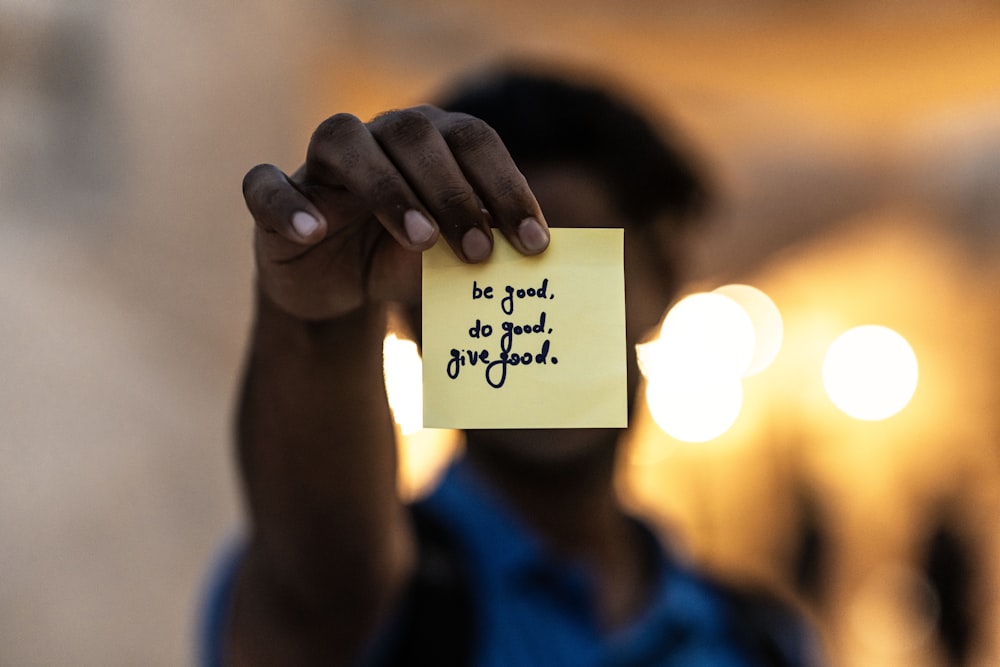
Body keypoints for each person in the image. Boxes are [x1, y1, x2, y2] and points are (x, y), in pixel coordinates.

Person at [201, 63, 824, 666]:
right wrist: (320, 320)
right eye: (475, 263)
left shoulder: (755, 635)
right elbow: (319, 587)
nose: (528, 301)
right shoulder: (376, 600)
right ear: (413, 309)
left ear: (660, 280)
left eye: (562, 257)